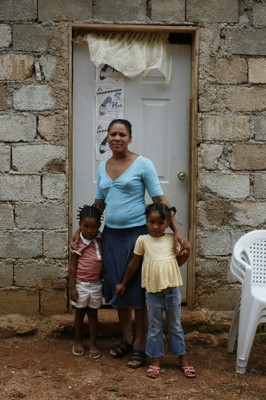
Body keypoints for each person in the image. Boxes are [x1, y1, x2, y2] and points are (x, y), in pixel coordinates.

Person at [71, 119, 189, 368]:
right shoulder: (103, 166)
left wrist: (177, 231)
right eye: (112, 134)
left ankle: (140, 344)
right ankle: (126, 339)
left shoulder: (143, 164)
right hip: (112, 236)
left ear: (130, 138)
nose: (116, 138)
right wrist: (77, 231)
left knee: (138, 288)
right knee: (118, 288)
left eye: (122, 134)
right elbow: (98, 204)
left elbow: (159, 199)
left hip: (136, 235)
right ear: (107, 138)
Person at [116, 203, 195, 379]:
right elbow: (133, 265)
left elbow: (177, 263)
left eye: (160, 223)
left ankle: (183, 359)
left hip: (172, 291)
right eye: (151, 222)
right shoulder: (143, 240)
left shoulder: (171, 239)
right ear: (146, 221)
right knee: (154, 328)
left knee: (175, 326)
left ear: (168, 223)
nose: (155, 226)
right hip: (153, 294)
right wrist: (123, 283)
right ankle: (155, 360)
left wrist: (186, 253)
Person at [69, 204, 103, 359]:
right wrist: (72, 288)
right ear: (80, 226)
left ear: (99, 226)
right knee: (79, 314)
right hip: (81, 285)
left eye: (93, 226)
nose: (89, 230)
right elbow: (73, 267)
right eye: (85, 226)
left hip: (96, 285)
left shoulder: (100, 240)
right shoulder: (78, 243)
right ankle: (78, 341)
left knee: (93, 315)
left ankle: (93, 343)